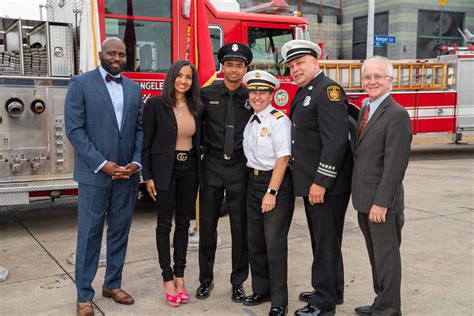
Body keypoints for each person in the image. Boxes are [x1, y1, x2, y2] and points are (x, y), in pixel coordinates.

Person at [65, 37, 143, 316]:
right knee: (89, 236)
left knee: (120, 232)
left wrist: (136, 162)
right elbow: (74, 130)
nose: (117, 58)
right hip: (94, 176)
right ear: (101, 54)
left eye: (121, 54)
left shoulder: (134, 89)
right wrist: (101, 164)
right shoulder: (81, 84)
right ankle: (84, 295)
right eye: (112, 53)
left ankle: (112, 284)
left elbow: (139, 131)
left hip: (127, 176)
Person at [281, 39, 353, 316]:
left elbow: (335, 142)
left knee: (324, 241)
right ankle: (331, 289)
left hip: (326, 185)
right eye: (291, 65)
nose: (295, 69)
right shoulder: (307, 91)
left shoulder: (328, 90)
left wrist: (321, 182)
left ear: (315, 62)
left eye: (300, 63)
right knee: (326, 240)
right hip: (315, 183)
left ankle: (324, 303)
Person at [352, 56, 412, 316]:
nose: (372, 81)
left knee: (387, 258)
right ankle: (380, 301)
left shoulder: (397, 114)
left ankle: (388, 309)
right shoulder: (367, 108)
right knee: (376, 256)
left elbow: (395, 165)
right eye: (368, 77)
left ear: (390, 80)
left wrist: (381, 203)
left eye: (378, 76)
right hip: (365, 199)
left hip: (381, 203)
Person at [141, 60, 202, 307]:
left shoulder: (197, 106)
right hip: (164, 171)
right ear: (171, 77)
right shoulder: (155, 105)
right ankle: (167, 278)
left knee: (184, 224)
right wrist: (148, 176)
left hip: (190, 169)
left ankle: (180, 275)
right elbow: (146, 143)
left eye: (188, 77)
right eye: (179, 76)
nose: (183, 81)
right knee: (164, 224)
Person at [197, 42, 253, 302]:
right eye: (229, 65)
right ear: (222, 67)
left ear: (245, 69)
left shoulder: (251, 97)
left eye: (239, 65)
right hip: (212, 165)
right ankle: (205, 280)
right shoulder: (206, 94)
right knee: (207, 226)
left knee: (240, 226)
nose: (233, 70)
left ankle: (238, 282)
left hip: (239, 167)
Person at [241, 70, 294, 316]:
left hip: (275, 185)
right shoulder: (251, 121)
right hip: (253, 183)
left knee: (274, 244)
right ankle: (262, 289)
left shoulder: (278, 120)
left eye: (262, 92)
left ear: (271, 94)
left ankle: (279, 301)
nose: (257, 96)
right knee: (255, 241)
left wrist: (271, 192)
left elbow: (283, 159)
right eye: (253, 91)